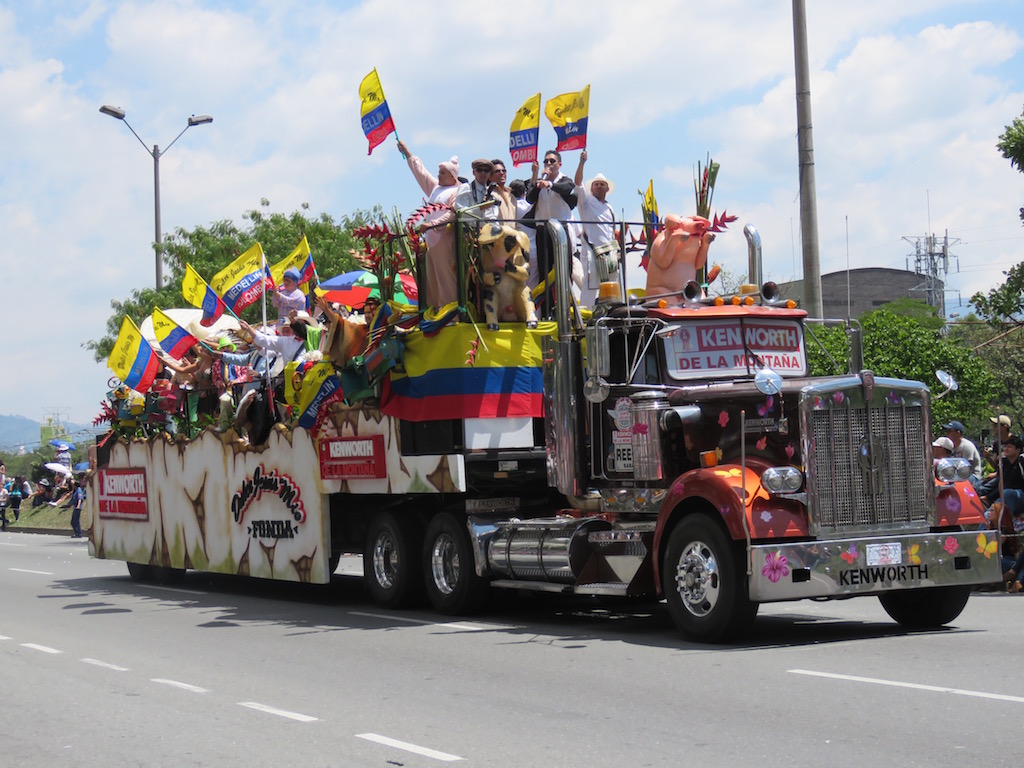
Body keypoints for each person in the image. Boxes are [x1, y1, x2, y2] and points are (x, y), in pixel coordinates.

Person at [396, 138, 460, 309]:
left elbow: (454, 214)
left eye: (442, 173)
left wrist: (431, 225)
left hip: (445, 239)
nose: (438, 175)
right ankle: (435, 312)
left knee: (445, 277)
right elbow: (421, 173)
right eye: (439, 172)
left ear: (452, 176)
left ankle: (450, 313)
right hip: (430, 241)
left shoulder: (457, 191)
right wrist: (408, 153)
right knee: (431, 280)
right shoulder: (436, 188)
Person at [527, 150, 583, 303]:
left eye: (552, 161)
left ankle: (566, 304)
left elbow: (567, 188)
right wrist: (538, 180)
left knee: (564, 268)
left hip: (560, 231)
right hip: (542, 230)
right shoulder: (540, 181)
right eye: (546, 161)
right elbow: (529, 198)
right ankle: (547, 309)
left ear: (559, 164)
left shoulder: (564, 180)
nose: (549, 164)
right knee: (544, 269)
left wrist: (550, 184)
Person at [573, 150, 618, 305]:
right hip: (592, 250)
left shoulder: (610, 208)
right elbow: (577, 183)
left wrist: (616, 250)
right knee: (590, 285)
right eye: (596, 184)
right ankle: (586, 314)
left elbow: (612, 231)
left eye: (602, 185)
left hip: (609, 251)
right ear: (591, 188)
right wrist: (582, 163)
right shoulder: (586, 201)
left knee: (613, 283)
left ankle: (613, 312)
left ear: (607, 189)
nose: (599, 187)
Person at [942, 420, 983, 487]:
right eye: (947, 431)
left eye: (949, 431)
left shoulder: (967, 446)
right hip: (955, 475)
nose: (947, 434)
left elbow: (966, 469)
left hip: (972, 476)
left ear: (958, 433)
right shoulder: (949, 446)